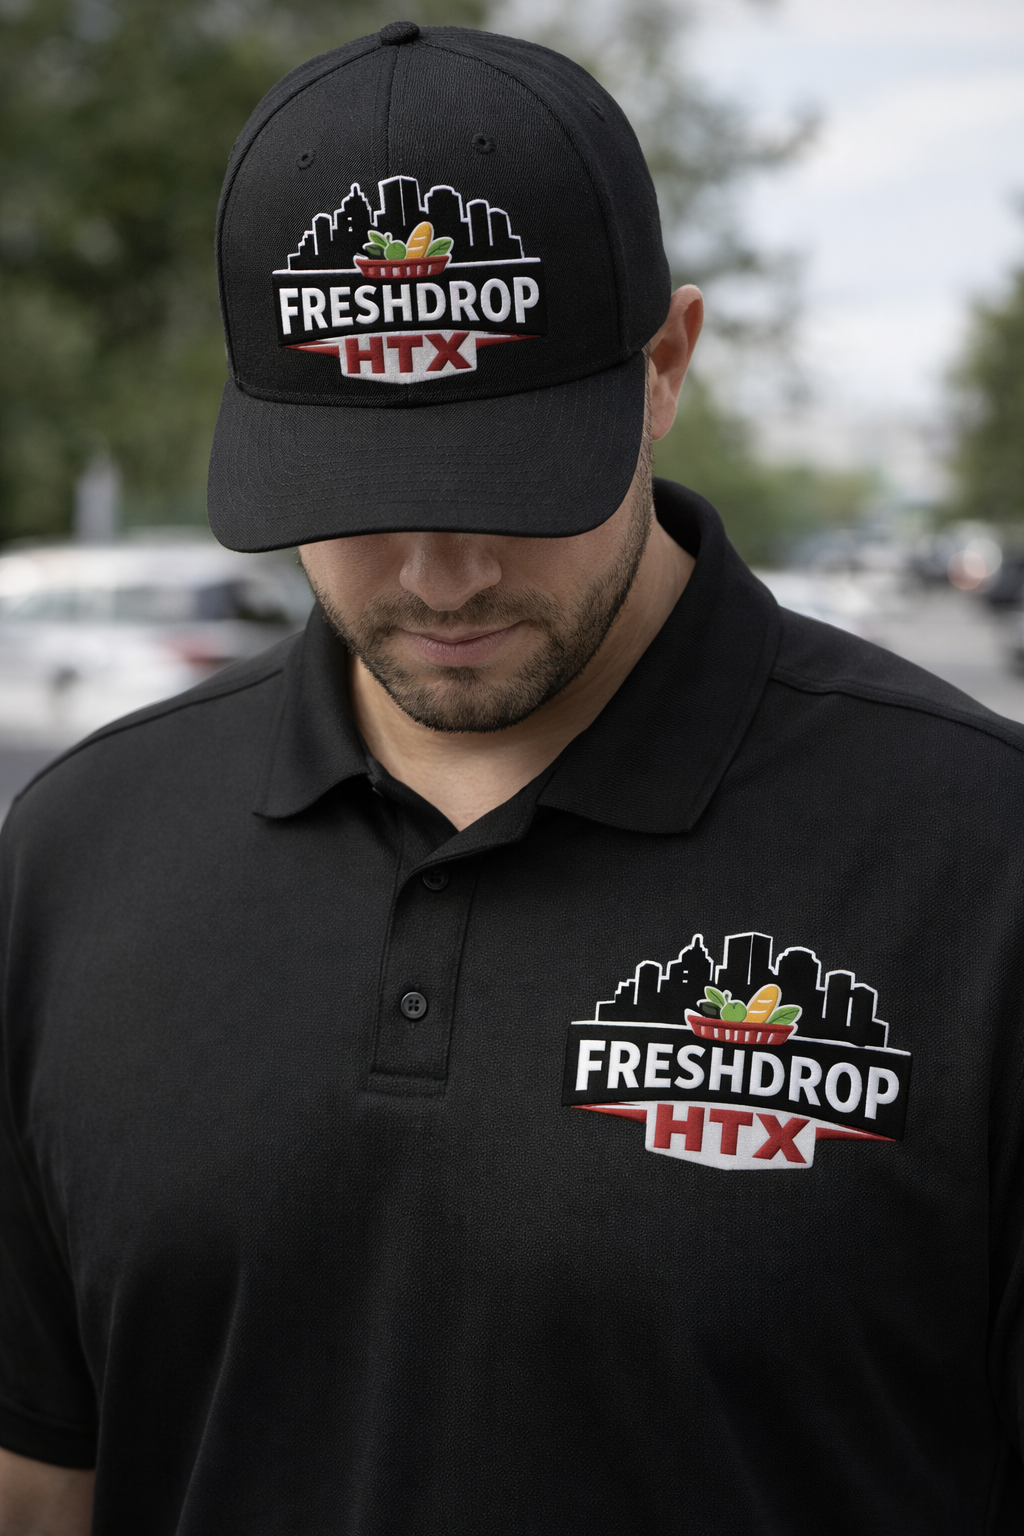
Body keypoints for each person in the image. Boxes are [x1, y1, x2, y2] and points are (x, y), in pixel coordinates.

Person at [0, 21, 1023, 1536]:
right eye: (356, 495)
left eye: (510, 483)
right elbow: (41, 1468)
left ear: (663, 368)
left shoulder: (979, 861)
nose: (440, 572)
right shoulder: (82, 846)